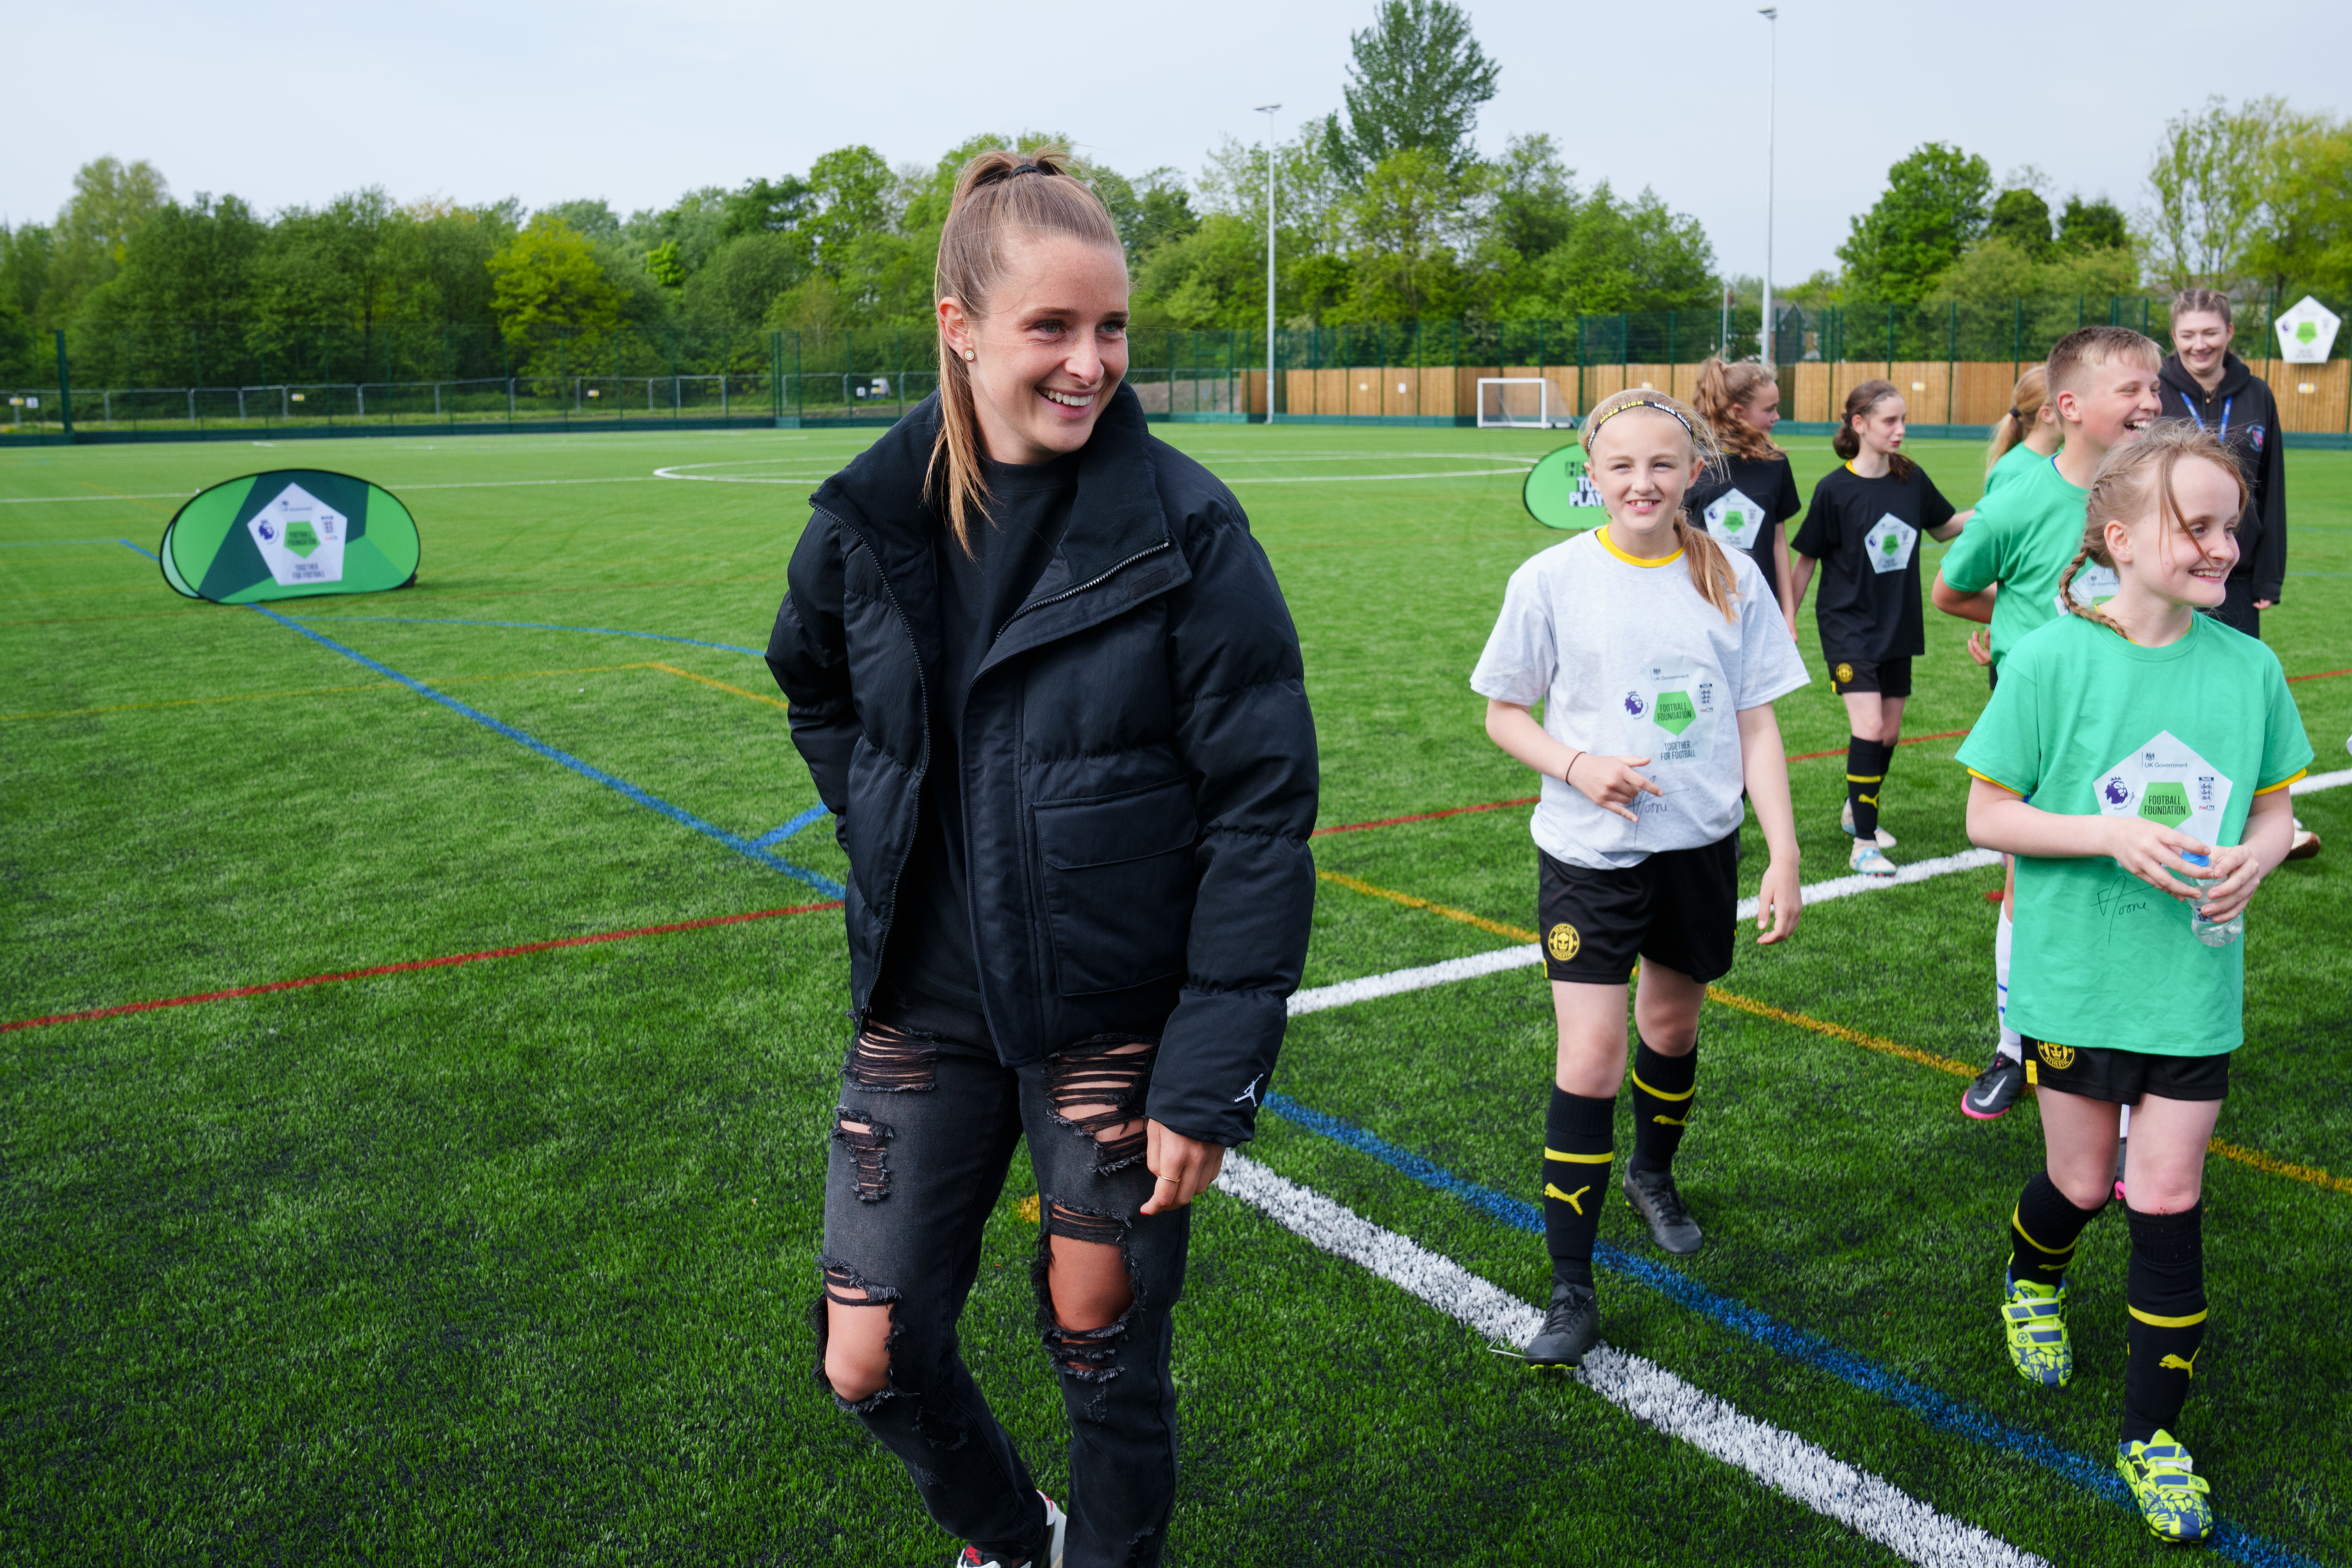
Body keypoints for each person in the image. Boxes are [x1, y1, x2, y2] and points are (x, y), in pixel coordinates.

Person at [769, 148, 1317, 1568]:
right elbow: (812, 684)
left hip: (1113, 1020)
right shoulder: (865, 522)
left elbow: (1261, 808)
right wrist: (882, 822)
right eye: (1053, 328)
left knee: (1101, 1338)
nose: (1091, 364)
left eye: (1112, 328)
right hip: (924, 1010)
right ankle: (1013, 1539)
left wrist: (1209, 1069)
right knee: (867, 1355)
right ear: (958, 327)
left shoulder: (1186, 528)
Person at [1957, 422, 2311, 1546]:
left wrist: (2260, 853)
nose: (2222, 547)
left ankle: (2150, 1435)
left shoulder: (2248, 667)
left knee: (2162, 1197)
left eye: (2229, 527)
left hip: (2190, 985)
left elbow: (2274, 808)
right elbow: (1986, 813)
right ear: (2117, 540)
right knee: (2076, 1181)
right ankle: (2031, 1279)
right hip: (2072, 984)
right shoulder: (2051, 659)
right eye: (2194, 526)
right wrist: (2107, 832)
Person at [1470, 388, 1808, 1370]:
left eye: (1662, 464)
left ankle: (1651, 1175)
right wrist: (1577, 766)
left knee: (1672, 1029)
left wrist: (1784, 852)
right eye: (1620, 466)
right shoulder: (1551, 579)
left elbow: (1755, 721)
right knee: (1592, 1057)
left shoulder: (1731, 573)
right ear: (1592, 475)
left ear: (1694, 472)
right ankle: (1571, 1290)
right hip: (1590, 853)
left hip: (1698, 846)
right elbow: (1503, 712)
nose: (1641, 483)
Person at [1932, 329, 2164, 1120]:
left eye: (2153, 389)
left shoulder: (2157, 493)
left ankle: (2129, 1047)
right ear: (2069, 406)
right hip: (2044, 718)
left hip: (2137, 713)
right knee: (2025, 882)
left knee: (2134, 876)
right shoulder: (2017, 497)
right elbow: (1952, 591)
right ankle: (2013, 1047)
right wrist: (2016, 635)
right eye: (2131, 390)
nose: (2150, 402)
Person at [2159, 288, 2321, 862]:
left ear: (2229, 333)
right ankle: (2167, 807)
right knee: (2167, 689)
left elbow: (2271, 487)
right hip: (2167, 572)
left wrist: (2268, 577)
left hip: (2235, 574)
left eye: (2210, 333)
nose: (2199, 345)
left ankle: (2260, 812)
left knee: (2234, 696)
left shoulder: (2257, 394)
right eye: (2187, 335)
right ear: (2173, 338)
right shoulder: (2157, 392)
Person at [1790, 380, 1964, 876]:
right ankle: (1864, 844)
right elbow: (1806, 561)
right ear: (1859, 424)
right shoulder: (1834, 489)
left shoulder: (1911, 478)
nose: (1901, 429)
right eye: (1890, 420)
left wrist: (2001, 509)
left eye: (1903, 419)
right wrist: (1787, 621)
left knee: (1887, 734)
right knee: (1867, 728)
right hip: (1847, 626)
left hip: (1898, 624)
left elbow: (1944, 527)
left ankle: (1855, 810)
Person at [1686, 358, 1802, 640]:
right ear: (1738, 412)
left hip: (1758, 608)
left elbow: (1778, 542)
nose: (1777, 417)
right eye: (1769, 409)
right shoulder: (1691, 464)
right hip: (1701, 607)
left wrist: (1787, 614)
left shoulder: (1775, 464)